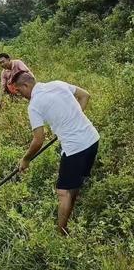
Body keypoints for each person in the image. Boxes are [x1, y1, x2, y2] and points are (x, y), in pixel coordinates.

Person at [12, 72, 100, 236]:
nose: (19, 95)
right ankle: (72, 206)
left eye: (18, 91)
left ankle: (61, 234)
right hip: (93, 139)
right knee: (75, 182)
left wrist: (25, 159)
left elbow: (38, 140)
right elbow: (85, 95)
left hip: (76, 149)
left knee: (63, 192)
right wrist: (73, 119)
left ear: (26, 86)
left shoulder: (34, 105)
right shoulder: (57, 84)